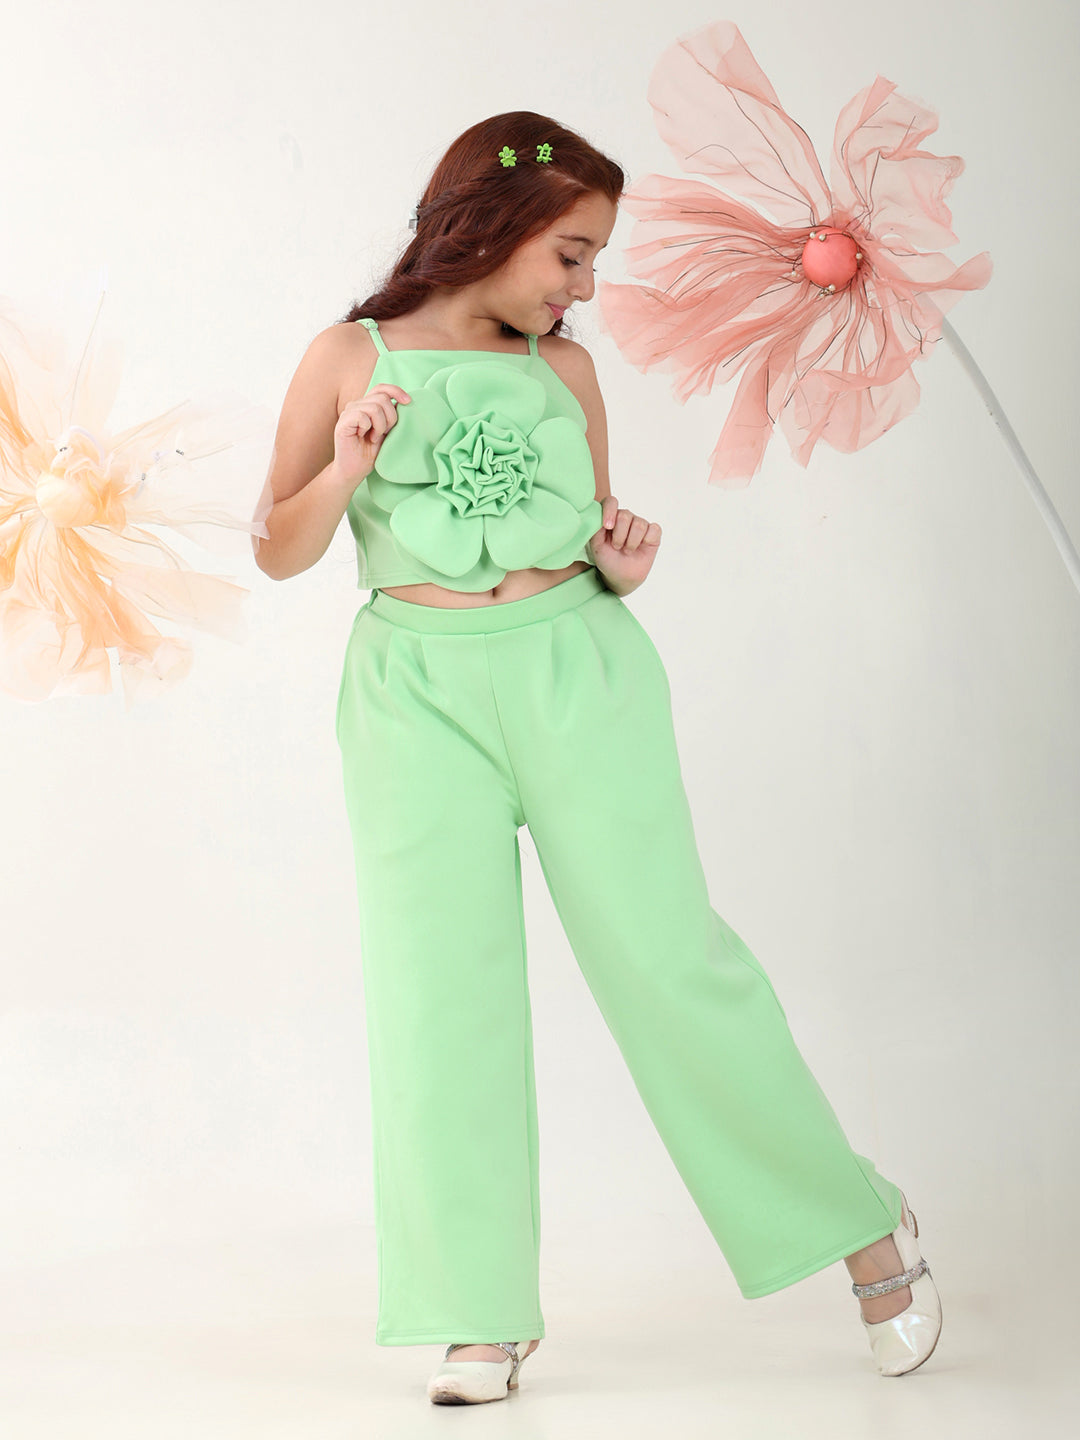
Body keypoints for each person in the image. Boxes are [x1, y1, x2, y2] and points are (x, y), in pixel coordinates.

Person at [253, 111, 942, 1406]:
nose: (583, 287)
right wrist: (346, 468)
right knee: (438, 993)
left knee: (669, 964)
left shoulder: (564, 371)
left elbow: (582, 529)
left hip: (579, 672)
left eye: (594, 260)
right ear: (492, 226)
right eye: (570, 255)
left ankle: (861, 1222)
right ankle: (476, 1309)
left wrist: (619, 567)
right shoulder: (346, 357)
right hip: (413, 692)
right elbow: (276, 548)